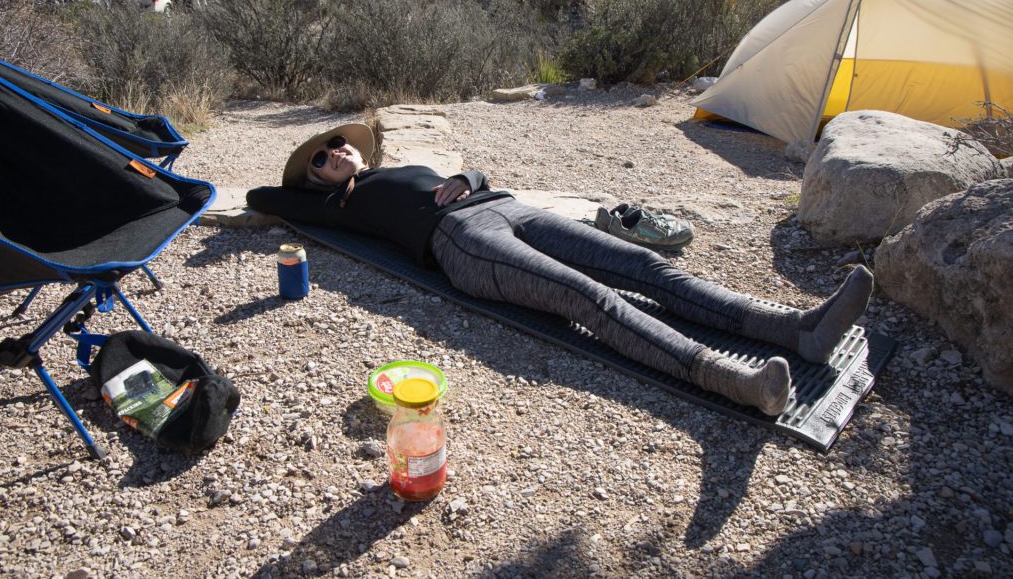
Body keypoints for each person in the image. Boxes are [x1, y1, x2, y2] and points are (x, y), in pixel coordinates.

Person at [246, 124, 874, 417]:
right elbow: (261, 200)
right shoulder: (337, 205)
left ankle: (798, 331)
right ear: (317, 178)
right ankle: (731, 381)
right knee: (587, 297)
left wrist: (468, 177)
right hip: (463, 244)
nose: (336, 154)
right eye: (323, 159)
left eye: (339, 146)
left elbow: (481, 177)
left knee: (642, 264)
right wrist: (317, 189)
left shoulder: (395, 168)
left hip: (508, 207)